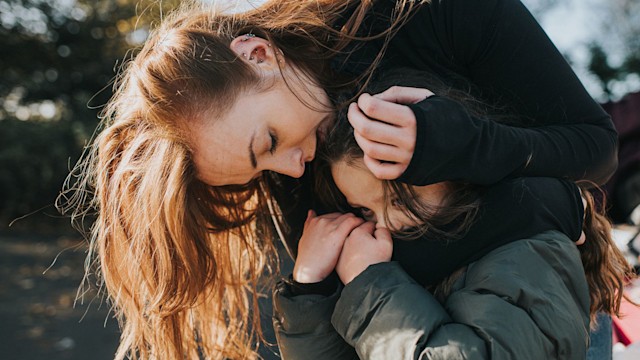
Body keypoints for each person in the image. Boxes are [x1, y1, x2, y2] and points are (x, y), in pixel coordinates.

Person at [57, 0, 621, 358]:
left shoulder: (434, 13)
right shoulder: (287, 159)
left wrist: (466, 146)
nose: (290, 169)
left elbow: (594, 149)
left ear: (258, 55)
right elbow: (340, 318)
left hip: (538, 318)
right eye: (258, 170)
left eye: (269, 143)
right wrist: (311, 289)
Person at [272, 73, 636, 359]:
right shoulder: (404, 271)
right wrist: (310, 289)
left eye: (400, 199)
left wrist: (371, 288)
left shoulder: (525, 254)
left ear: (458, 171)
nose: (386, 227)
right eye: (366, 210)